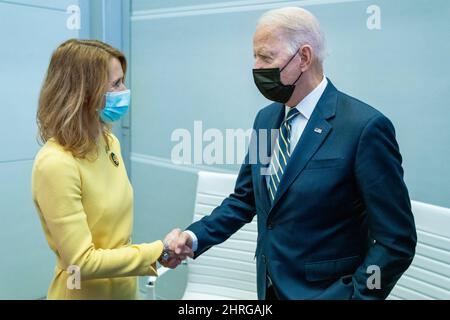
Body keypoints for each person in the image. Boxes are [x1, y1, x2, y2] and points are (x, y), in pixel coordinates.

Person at [170, 7, 417, 300]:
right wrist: (194, 237)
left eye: (265, 56)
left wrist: (357, 296)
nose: (256, 67)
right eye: (254, 56)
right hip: (270, 289)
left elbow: (396, 241)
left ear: (303, 58)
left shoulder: (364, 128)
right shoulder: (266, 120)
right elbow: (245, 199)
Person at [32, 39, 192, 300]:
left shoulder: (109, 143)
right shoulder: (55, 164)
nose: (125, 91)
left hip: (124, 289)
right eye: (116, 84)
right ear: (84, 93)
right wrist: (158, 251)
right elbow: (81, 262)